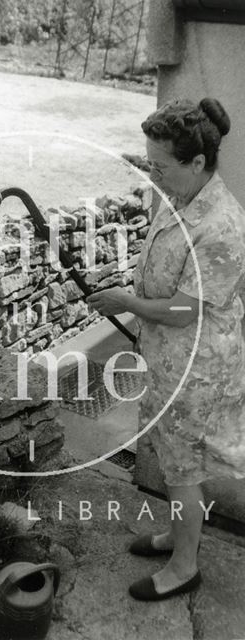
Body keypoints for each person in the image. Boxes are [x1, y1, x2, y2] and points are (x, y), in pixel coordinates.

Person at [87, 97, 245, 601]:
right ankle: (179, 537)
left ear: (197, 162)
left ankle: (184, 565)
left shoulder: (222, 224)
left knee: (182, 469)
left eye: (159, 165)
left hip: (197, 366)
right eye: (147, 162)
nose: (152, 174)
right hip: (168, 356)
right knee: (172, 459)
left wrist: (124, 301)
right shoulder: (179, 196)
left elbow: (184, 309)